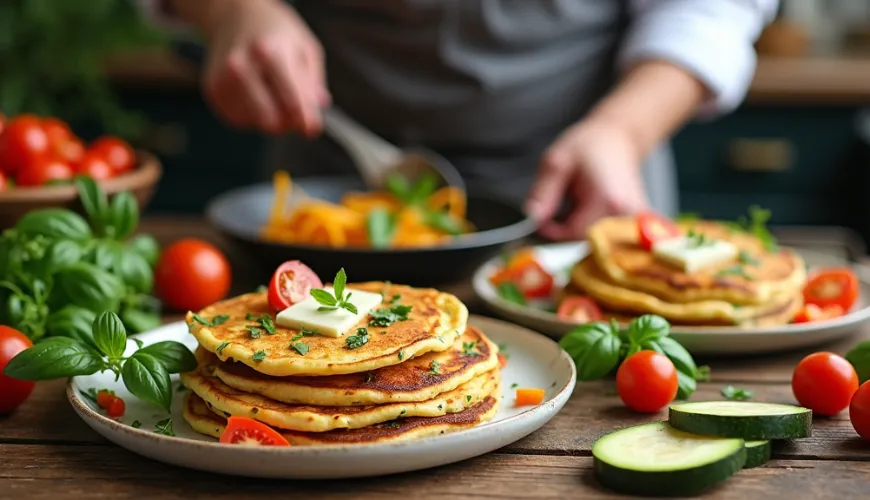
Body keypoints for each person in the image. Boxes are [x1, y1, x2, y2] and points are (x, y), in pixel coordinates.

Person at [141, 0, 778, 240]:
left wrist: (623, 130)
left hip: (578, 195)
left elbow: (710, 10)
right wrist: (231, 10)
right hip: (330, 191)